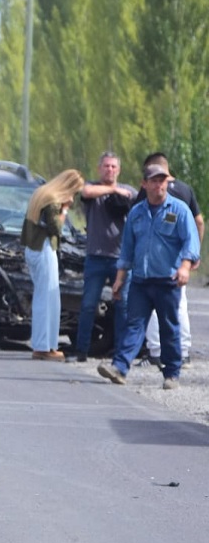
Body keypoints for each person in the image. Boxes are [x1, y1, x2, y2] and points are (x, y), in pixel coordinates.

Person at [98, 163, 200, 390]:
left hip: (168, 280)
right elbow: (127, 249)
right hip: (141, 281)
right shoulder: (137, 213)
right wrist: (119, 278)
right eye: (154, 181)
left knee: (169, 328)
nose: (159, 185)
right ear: (144, 184)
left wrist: (184, 267)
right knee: (134, 325)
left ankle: (172, 373)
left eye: (162, 181)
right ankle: (120, 368)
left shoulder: (179, 210)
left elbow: (190, 243)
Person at [135, 152, 204, 364]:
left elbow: (137, 218)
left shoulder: (148, 191)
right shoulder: (185, 189)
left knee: (154, 307)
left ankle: (156, 352)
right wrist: (194, 252)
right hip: (179, 259)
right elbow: (199, 222)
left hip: (156, 259)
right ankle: (183, 351)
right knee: (180, 305)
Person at [74, 152, 135, 362]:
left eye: (113, 167)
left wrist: (120, 192)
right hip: (96, 257)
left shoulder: (128, 192)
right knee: (88, 305)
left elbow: (139, 203)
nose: (110, 170)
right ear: (100, 168)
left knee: (123, 305)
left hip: (121, 260)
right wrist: (113, 189)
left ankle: (120, 354)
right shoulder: (94, 188)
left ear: (119, 170)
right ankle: (81, 350)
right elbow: (86, 191)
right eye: (106, 166)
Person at [22, 170, 85, 362]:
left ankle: (45, 343)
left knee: (45, 296)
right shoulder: (53, 200)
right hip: (44, 249)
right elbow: (56, 228)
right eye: (75, 191)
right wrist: (65, 208)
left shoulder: (41, 193)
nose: (74, 197)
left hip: (34, 248)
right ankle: (43, 346)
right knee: (48, 297)